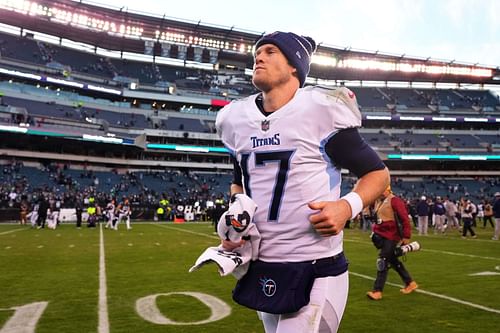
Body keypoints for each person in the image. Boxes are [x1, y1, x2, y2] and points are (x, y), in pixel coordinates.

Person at [215, 31, 390, 333]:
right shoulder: (236, 119)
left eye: (270, 51)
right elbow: (239, 181)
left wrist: (346, 207)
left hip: (315, 267)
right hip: (262, 264)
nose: (259, 56)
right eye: (258, 52)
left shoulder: (320, 110)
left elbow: (378, 173)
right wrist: (237, 220)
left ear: (295, 64)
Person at [366, 186, 418, 300]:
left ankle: (377, 291)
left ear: (387, 190)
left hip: (392, 235)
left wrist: (406, 236)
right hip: (381, 235)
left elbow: (404, 218)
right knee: (393, 260)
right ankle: (410, 283)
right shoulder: (378, 201)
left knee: (382, 261)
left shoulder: (394, 200)